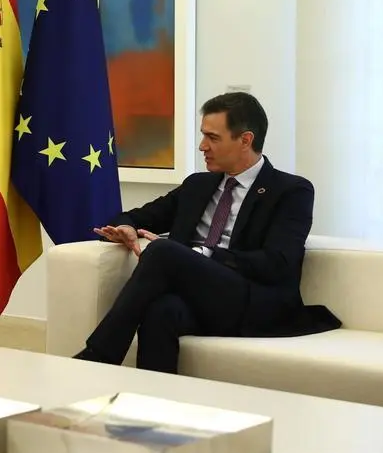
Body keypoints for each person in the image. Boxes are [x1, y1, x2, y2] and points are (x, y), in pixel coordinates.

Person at [75, 92, 341, 373]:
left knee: (164, 251)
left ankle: (99, 357)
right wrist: (126, 227)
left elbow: (278, 263)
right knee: (162, 311)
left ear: (245, 140)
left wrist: (202, 255)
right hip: (203, 299)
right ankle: (154, 404)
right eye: (203, 136)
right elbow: (138, 215)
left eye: (213, 138)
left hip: (253, 301)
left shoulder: (291, 191)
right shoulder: (197, 186)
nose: (202, 146)